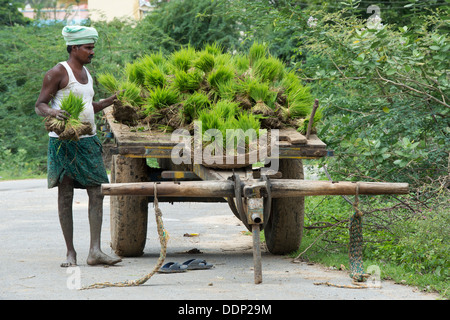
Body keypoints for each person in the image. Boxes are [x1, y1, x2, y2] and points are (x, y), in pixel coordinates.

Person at [35, 26, 121, 267]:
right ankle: (70, 252)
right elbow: (40, 104)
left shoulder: (86, 73)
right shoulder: (58, 72)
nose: (93, 52)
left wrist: (110, 101)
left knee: (97, 192)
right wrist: (52, 111)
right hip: (63, 143)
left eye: (93, 48)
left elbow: (88, 106)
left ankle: (95, 251)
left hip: (88, 141)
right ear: (74, 48)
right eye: (89, 48)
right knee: (66, 195)